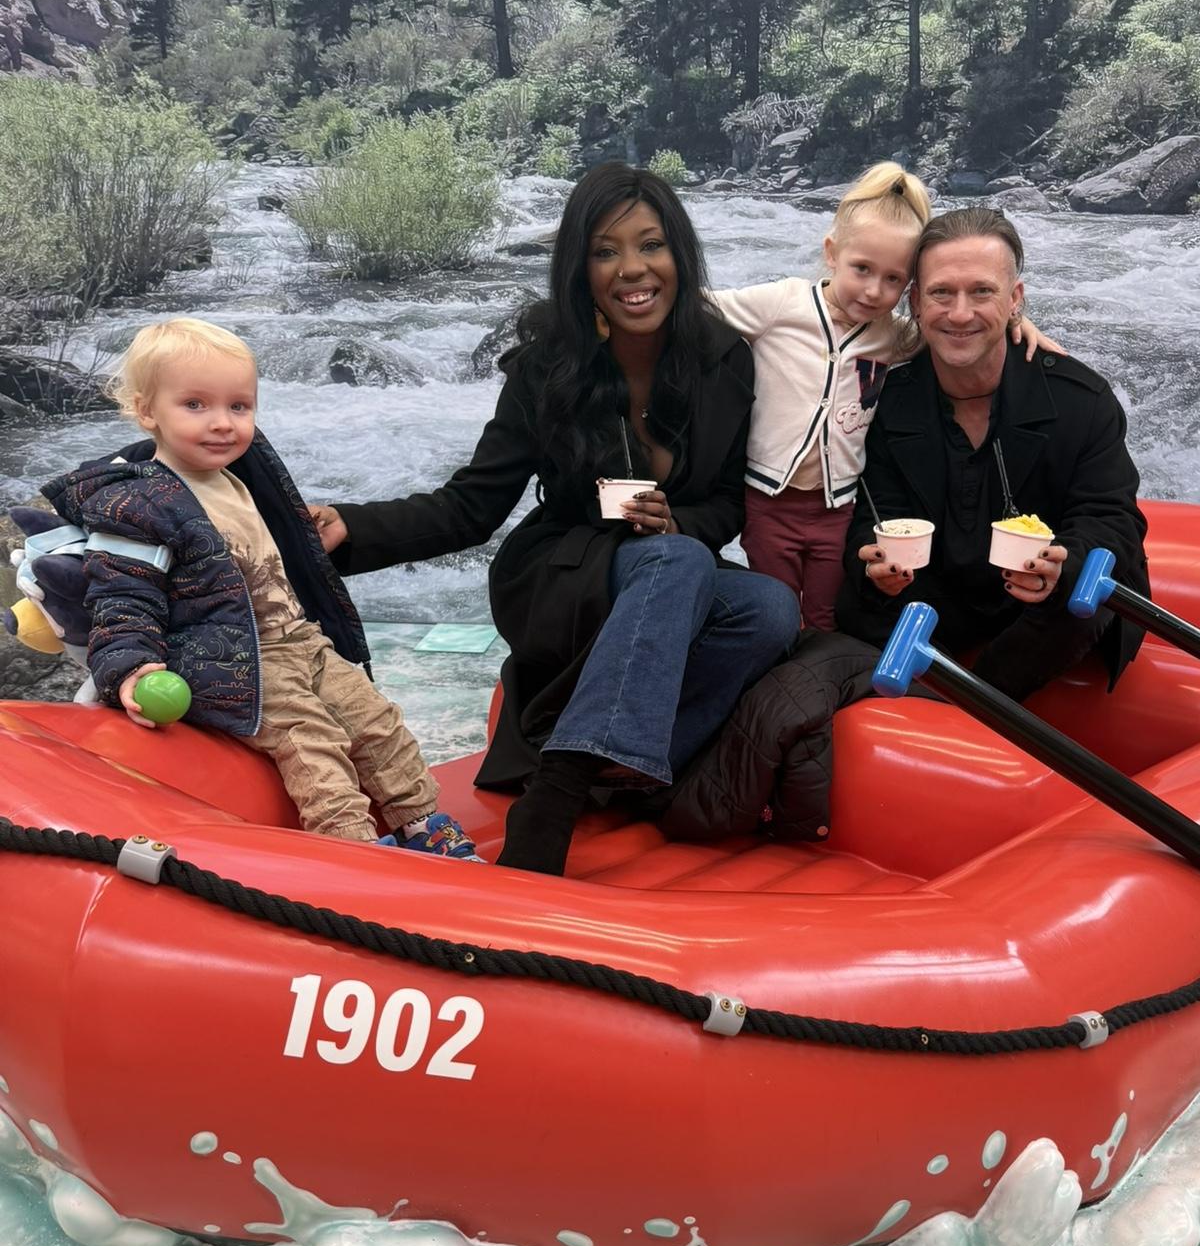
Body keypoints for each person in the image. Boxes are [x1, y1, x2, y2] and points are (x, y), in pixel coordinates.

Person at [312, 164, 801, 876]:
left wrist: (679, 522)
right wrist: (349, 528)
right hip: (562, 576)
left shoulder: (723, 358)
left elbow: (726, 503)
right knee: (682, 563)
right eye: (606, 251)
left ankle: (624, 769)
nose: (633, 270)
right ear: (581, 266)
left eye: (651, 246)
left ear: (680, 255)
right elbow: (471, 506)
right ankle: (558, 796)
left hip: (664, 570)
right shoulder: (548, 367)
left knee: (769, 607)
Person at [42, 318, 480, 859]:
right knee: (309, 738)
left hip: (298, 640)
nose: (223, 423)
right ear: (147, 411)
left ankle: (422, 824)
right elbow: (122, 595)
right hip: (232, 658)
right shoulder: (141, 505)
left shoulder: (239, 479)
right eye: (196, 405)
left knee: (376, 720)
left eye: (239, 407)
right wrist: (132, 667)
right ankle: (354, 852)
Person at [712, 162, 1061, 632]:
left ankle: (816, 686)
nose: (875, 291)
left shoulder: (894, 335)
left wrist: (1015, 320)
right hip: (768, 500)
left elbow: (962, 331)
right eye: (862, 269)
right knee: (775, 610)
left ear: (911, 290)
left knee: (824, 615)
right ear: (832, 253)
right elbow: (698, 306)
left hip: (840, 507)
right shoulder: (782, 304)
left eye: (894, 280)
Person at [836, 207, 1149, 699]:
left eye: (982, 291)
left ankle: (970, 710)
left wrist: (1061, 566)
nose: (960, 313)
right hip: (939, 591)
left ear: (1014, 299)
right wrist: (871, 564)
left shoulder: (1079, 400)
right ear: (915, 303)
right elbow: (875, 514)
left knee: (1093, 586)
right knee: (856, 597)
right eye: (942, 292)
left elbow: (1112, 517)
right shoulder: (889, 401)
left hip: (1041, 609)